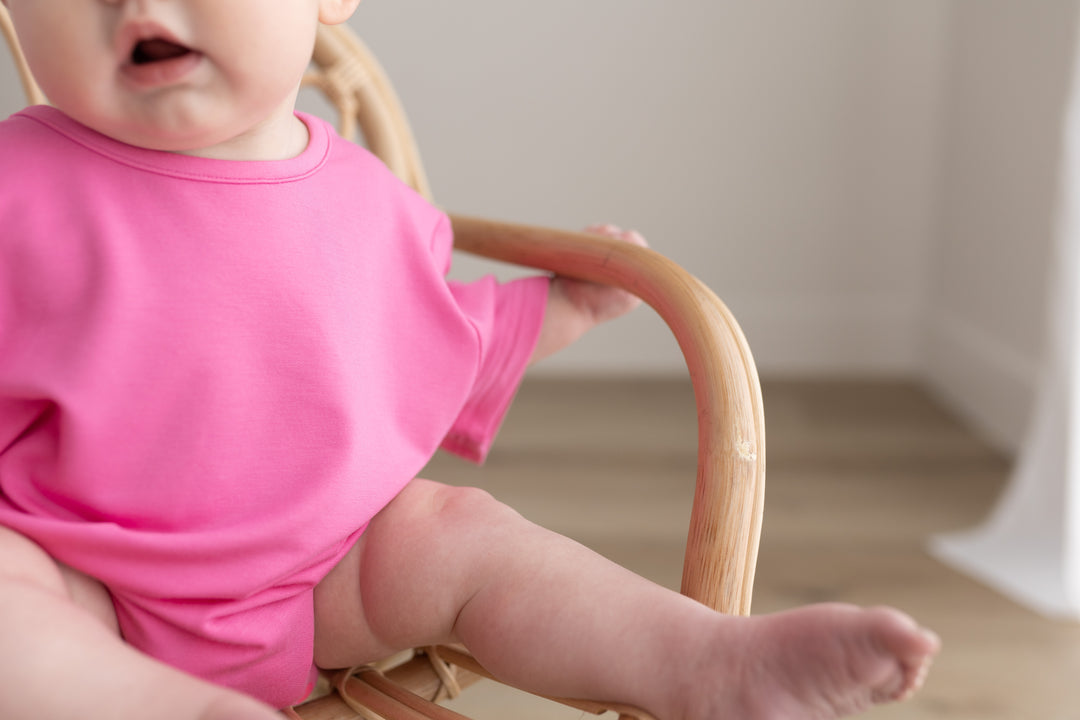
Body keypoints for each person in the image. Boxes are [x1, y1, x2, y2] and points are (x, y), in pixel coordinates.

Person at [0, 1, 941, 718]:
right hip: (80, 573)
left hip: (324, 573)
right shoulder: (19, 184)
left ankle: (700, 659)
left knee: (462, 534)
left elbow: (435, 334)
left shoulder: (373, 206)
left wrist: (559, 310)